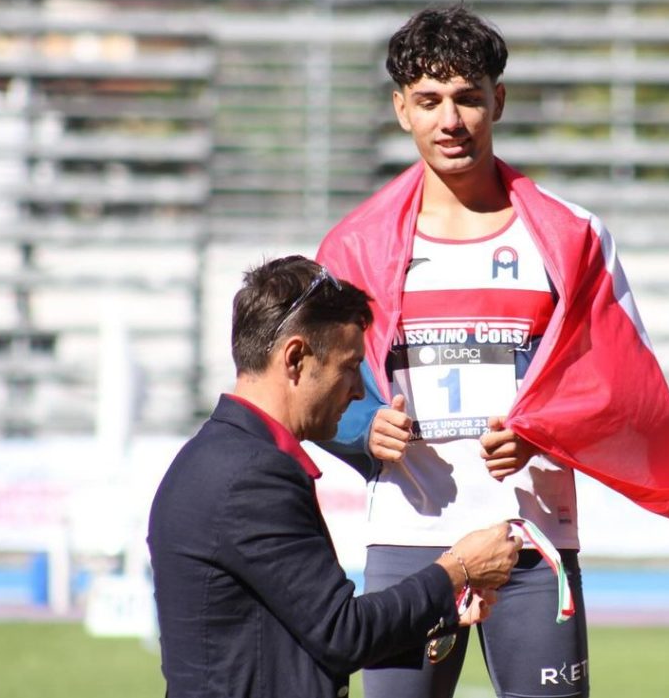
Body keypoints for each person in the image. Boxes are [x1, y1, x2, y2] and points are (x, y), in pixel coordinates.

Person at [317, 4, 669, 698]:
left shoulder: (571, 235)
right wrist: (364, 427)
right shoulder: (354, 245)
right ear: (402, 109)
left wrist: (541, 434)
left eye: (467, 98)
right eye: (428, 101)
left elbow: (623, 388)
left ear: (499, 101)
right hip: (408, 538)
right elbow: (316, 386)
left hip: (534, 540)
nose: (450, 120)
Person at [147, 256, 523, 698]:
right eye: (349, 367)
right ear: (295, 359)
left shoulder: (219, 457)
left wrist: (440, 605)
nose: (359, 391)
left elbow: (308, 632)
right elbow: (344, 634)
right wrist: (456, 570)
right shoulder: (252, 476)